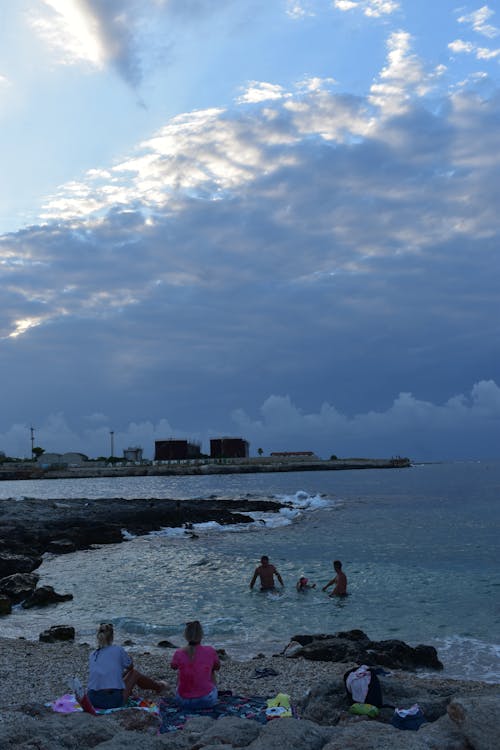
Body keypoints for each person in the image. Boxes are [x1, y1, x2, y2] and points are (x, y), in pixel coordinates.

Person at [87, 622, 166, 709]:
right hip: (110, 701)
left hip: (92, 699)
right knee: (135, 674)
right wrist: (129, 660)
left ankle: (147, 686)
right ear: (112, 637)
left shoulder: (93, 654)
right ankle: (158, 687)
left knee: (117, 676)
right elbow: (130, 667)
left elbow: (108, 675)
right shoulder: (117, 650)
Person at [170, 620, 220, 709]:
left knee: (181, 669)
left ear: (186, 636)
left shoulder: (179, 652)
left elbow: (173, 666)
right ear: (201, 635)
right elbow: (217, 667)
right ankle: (209, 692)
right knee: (211, 670)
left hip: (182, 701)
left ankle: (187, 692)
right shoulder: (210, 650)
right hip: (206, 701)